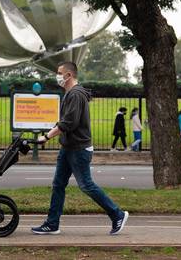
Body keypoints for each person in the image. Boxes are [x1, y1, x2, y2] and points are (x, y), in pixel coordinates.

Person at [33, 61, 128, 235]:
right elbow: (66, 121)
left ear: (68, 75)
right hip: (68, 147)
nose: (57, 76)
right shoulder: (71, 93)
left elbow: (69, 123)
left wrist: (47, 136)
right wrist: (52, 133)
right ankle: (52, 224)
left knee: (86, 185)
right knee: (58, 184)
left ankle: (117, 214)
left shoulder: (75, 94)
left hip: (78, 149)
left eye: (59, 72)